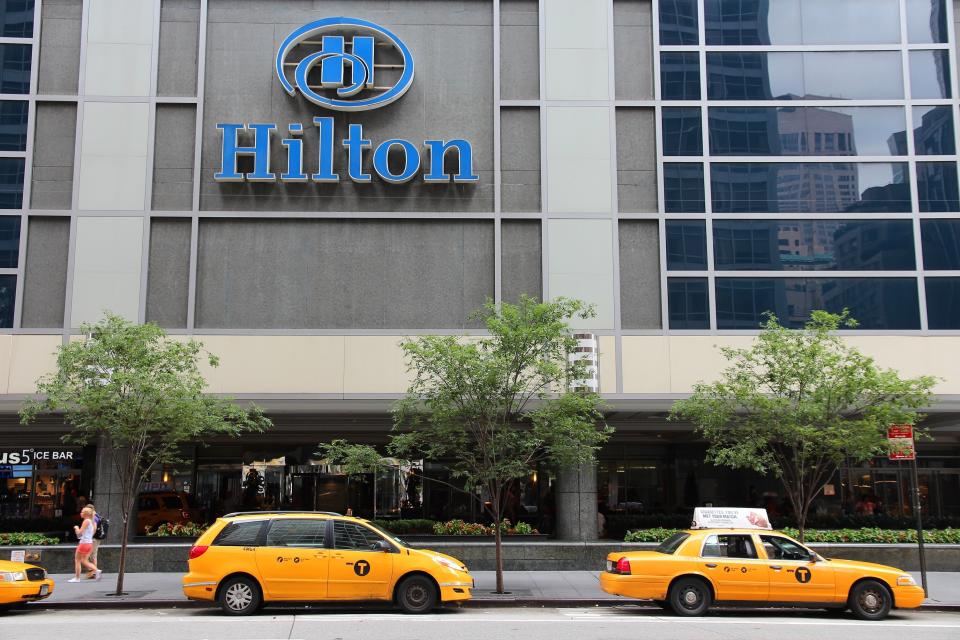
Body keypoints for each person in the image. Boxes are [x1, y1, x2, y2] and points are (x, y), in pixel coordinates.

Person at [69, 506, 100, 583]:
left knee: (77, 560)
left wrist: (76, 528)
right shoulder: (92, 521)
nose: (80, 513)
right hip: (89, 543)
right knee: (84, 560)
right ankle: (96, 570)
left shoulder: (86, 521)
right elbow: (92, 531)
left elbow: (79, 534)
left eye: (82, 512)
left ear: (86, 514)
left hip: (83, 543)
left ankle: (77, 578)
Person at [87, 503, 101, 570]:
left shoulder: (94, 517)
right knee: (92, 555)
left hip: (94, 539)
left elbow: (94, 528)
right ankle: (93, 571)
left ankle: (95, 572)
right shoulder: (96, 516)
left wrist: (90, 536)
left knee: (93, 556)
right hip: (95, 538)